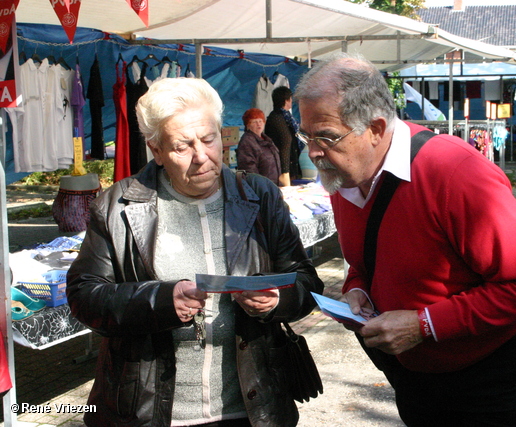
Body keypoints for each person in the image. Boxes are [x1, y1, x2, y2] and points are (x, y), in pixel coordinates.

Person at [295, 53, 516, 426]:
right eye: (306, 135)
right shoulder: (344, 175)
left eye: (326, 137)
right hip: (417, 375)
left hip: (491, 376)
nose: (313, 151)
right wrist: (358, 289)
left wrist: (424, 325)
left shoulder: (454, 172)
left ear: (375, 127)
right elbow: (366, 260)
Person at [66, 77, 323, 427]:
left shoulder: (260, 196)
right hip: (149, 411)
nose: (201, 157)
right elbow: (84, 297)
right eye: (182, 146)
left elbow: (308, 282)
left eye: (209, 139)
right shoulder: (118, 205)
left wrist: (278, 298)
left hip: (251, 409)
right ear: (155, 150)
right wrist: (159, 300)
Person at [265, 86, 301, 186]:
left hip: (291, 165)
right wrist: (285, 171)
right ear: (286, 100)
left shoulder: (287, 117)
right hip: (282, 168)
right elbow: (286, 141)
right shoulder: (277, 117)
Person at [236, 108, 282, 186]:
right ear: (248, 125)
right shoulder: (247, 142)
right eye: (254, 122)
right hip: (262, 190)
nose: (259, 124)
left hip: (273, 186)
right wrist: (262, 188)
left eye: (260, 121)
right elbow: (250, 171)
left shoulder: (266, 139)